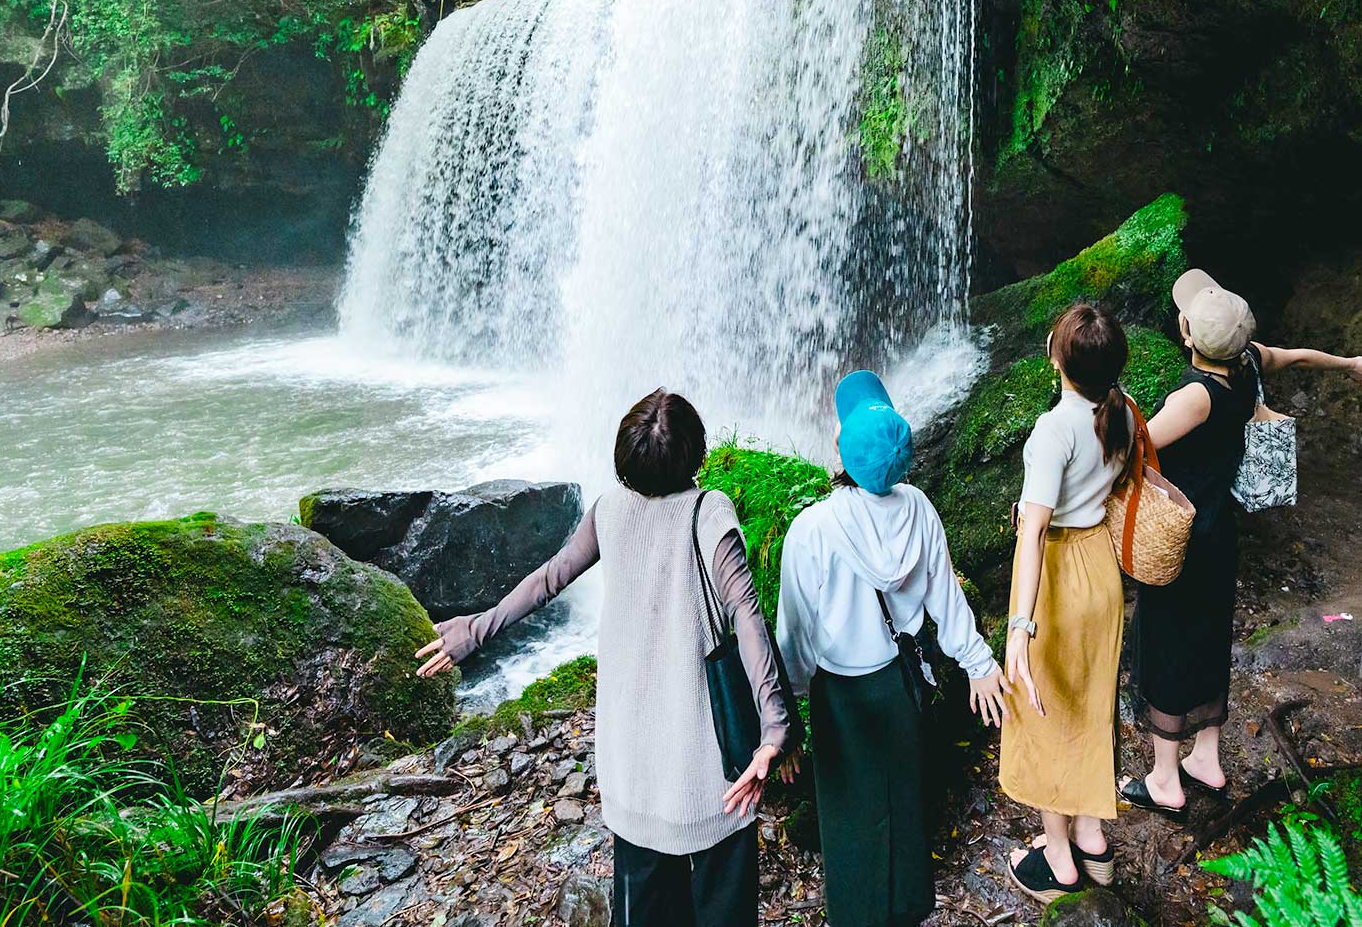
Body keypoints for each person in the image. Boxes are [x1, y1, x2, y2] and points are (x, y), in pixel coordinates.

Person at [413, 388, 791, 927]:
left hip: (633, 770)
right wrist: (774, 730)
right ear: (697, 454)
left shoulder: (609, 511)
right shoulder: (710, 513)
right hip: (709, 776)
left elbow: (549, 579)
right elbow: (747, 618)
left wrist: (475, 630)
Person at [1121, 268, 1362, 818]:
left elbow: (1136, 445)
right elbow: (1295, 356)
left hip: (1181, 538)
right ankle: (1207, 758)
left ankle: (1165, 779)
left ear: (1188, 337)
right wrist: (1350, 364)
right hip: (1220, 532)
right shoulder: (1246, 365)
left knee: (1169, 644)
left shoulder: (1196, 396)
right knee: (1209, 638)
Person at [775, 370, 1012, 927]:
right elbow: (947, 600)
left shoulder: (812, 529)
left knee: (848, 812)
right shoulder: (919, 509)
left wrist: (784, 715)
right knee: (904, 797)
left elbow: (795, 634)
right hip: (901, 681)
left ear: (841, 450)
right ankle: (906, 906)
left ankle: (857, 915)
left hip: (841, 693)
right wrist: (979, 663)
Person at [1000, 303, 1133, 902]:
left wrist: (1018, 628)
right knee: (1089, 703)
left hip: (1057, 574)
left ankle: (1059, 862)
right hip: (1100, 570)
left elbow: (1032, 533)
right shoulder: (1123, 410)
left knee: (1045, 710)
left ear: (1058, 359)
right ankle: (1093, 839)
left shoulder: (1053, 430)